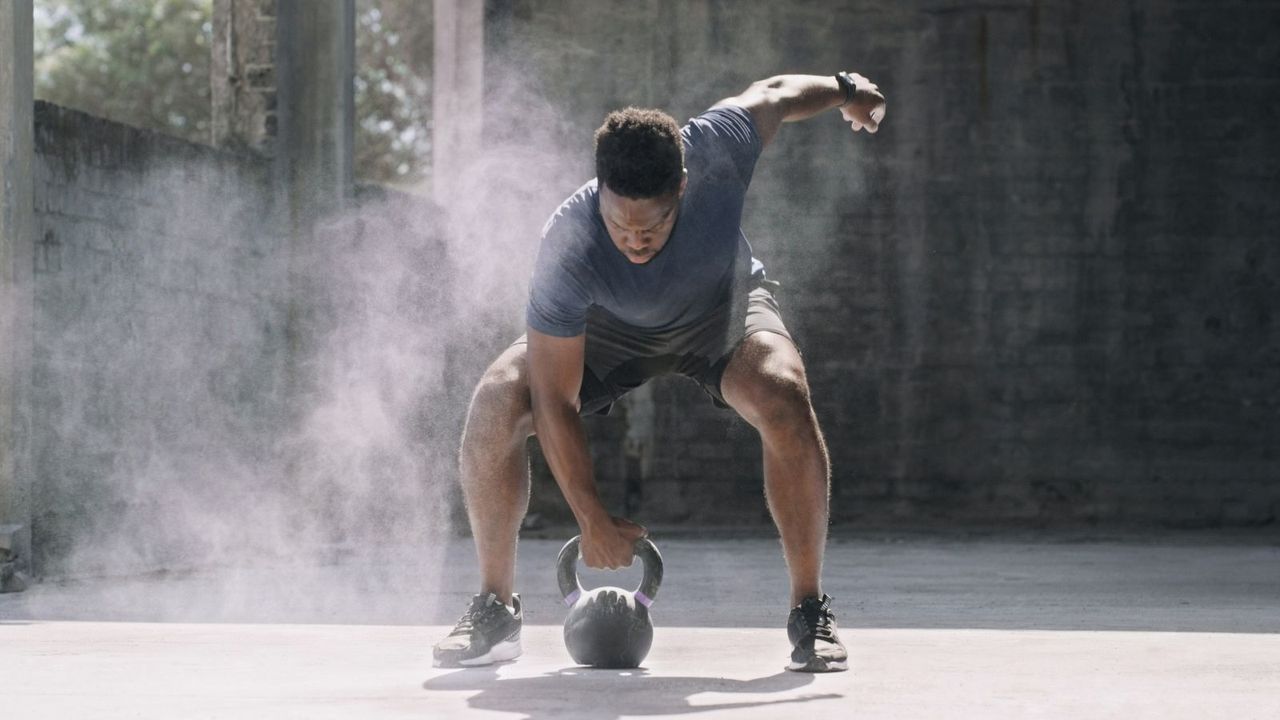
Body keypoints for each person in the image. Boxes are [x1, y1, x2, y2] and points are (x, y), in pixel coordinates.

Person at [433, 71, 887, 673]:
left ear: (682, 184)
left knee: (783, 391)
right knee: (497, 399)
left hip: (718, 312)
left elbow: (775, 95)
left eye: (653, 225)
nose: (636, 241)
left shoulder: (718, 148)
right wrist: (591, 519)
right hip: (608, 333)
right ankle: (496, 607)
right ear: (600, 193)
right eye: (621, 226)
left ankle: (810, 611)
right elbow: (555, 401)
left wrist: (845, 87)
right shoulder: (567, 243)